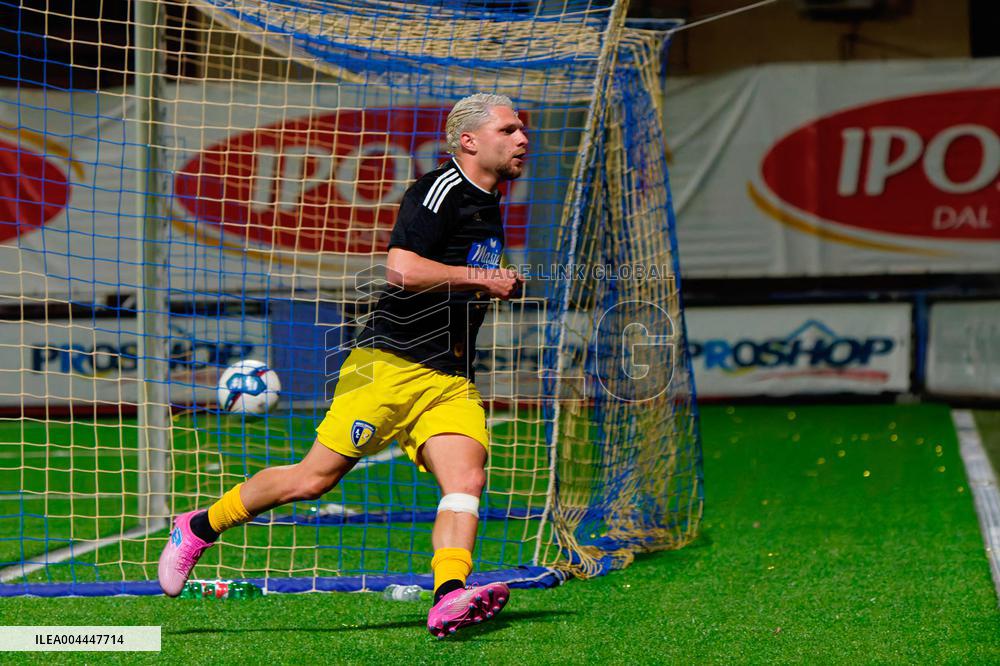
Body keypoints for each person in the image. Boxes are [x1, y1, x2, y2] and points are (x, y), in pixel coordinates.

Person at [158, 92, 528, 639]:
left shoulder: (490, 200)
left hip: (449, 378)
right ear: (469, 141)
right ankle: (198, 526)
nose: (523, 139)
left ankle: (449, 596)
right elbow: (400, 269)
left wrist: (496, 285)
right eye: (509, 129)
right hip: (389, 364)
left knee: (466, 480)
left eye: (521, 129)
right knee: (311, 481)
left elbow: (457, 276)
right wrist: (481, 279)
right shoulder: (437, 189)